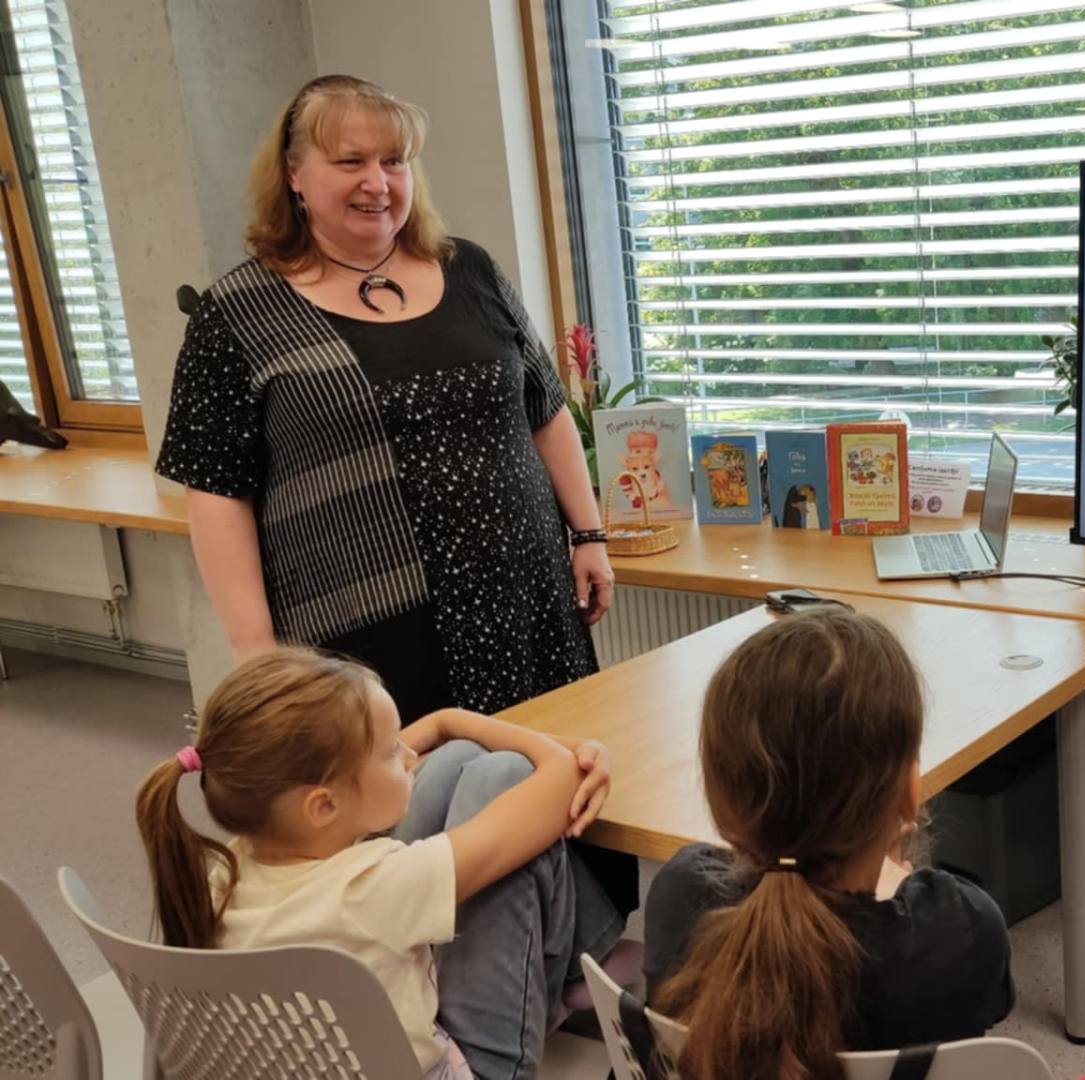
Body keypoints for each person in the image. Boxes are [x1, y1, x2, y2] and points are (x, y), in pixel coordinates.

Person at [155, 74, 609, 725]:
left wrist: (588, 534)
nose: (378, 183)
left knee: (555, 768)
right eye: (351, 162)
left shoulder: (471, 270)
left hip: (526, 596)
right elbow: (217, 491)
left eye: (394, 161)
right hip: (369, 629)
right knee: (411, 786)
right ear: (294, 175)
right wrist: (253, 648)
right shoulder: (237, 313)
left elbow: (545, 409)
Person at [135, 649, 642, 1080]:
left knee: (454, 760)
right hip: (461, 1070)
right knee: (505, 774)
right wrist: (455, 719)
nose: (406, 754)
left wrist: (439, 732)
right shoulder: (373, 887)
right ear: (323, 806)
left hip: (340, 1061)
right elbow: (560, 778)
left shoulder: (225, 869)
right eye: (389, 751)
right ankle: (571, 979)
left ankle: (579, 970)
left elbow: (390, 764)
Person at [622, 608, 1014, 1079]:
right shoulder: (962, 928)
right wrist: (897, 875)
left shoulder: (680, 893)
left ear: (721, 793)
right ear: (910, 795)